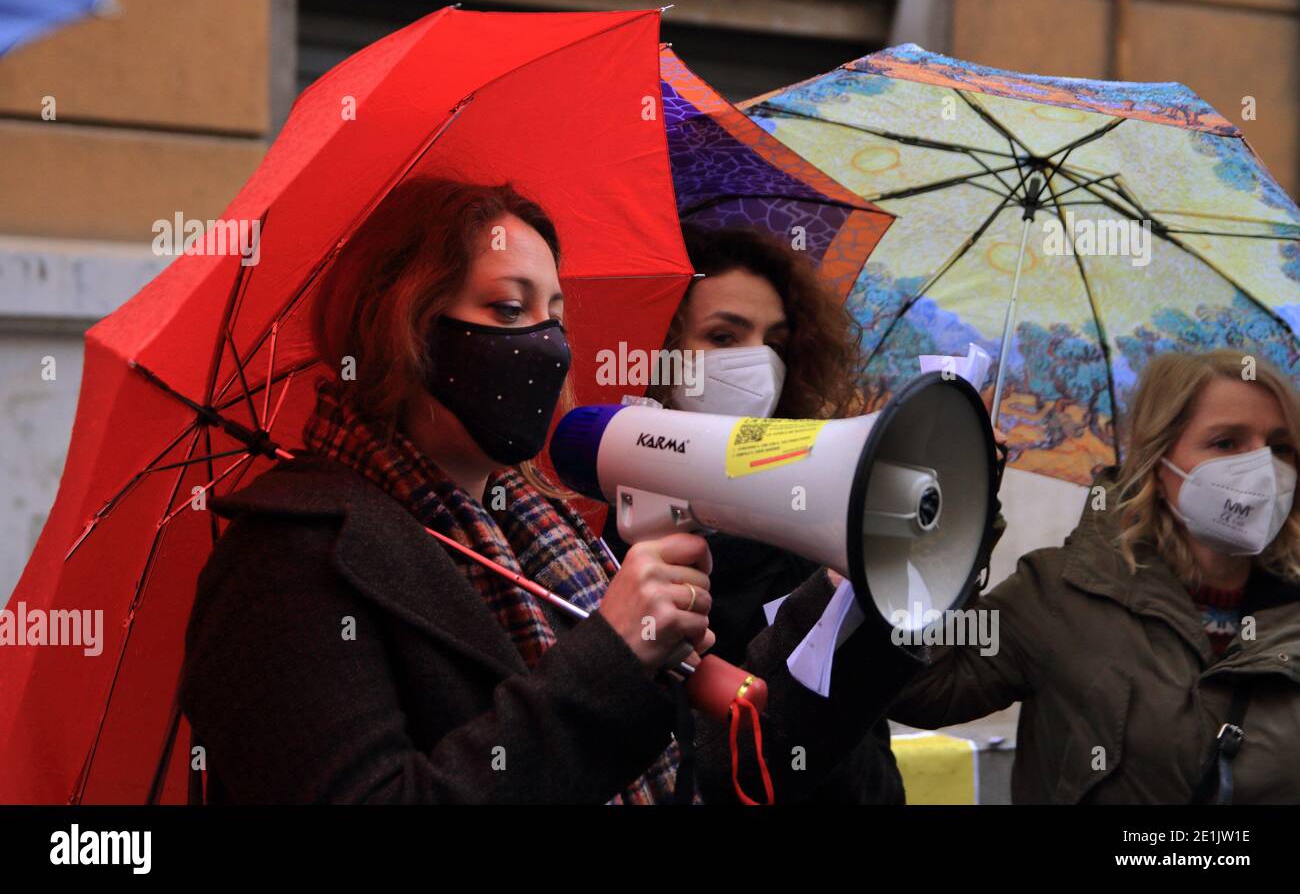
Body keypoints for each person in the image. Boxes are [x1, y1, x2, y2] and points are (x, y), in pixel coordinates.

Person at [178, 177, 919, 804]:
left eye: (556, 317)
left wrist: (863, 592)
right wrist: (611, 661)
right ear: (401, 323)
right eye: (508, 311)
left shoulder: (550, 540)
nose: (546, 345)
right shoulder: (288, 560)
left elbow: (731, 765)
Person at [889, 349, 1300, 803]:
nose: (1262, 470)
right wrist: (953, 514)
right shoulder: (1058, 593)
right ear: (1158, 461)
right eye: (1226, 443)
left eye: (1279, 447)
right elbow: (923, 688)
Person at [600, 223, 920, 803]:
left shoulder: (810, 537)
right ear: (658, 350)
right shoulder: (600, 549)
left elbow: (867, 764)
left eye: (774, 342)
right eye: (724, 337)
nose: (759, 365)